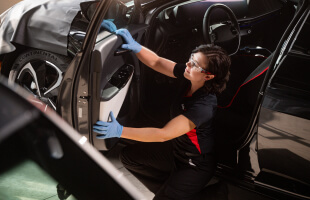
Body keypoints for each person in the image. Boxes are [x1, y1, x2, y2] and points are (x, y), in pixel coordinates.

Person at [93, 28, 231, 200]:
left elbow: (163, 135)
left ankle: (214, 196)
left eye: (195, 64)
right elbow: (157, 62)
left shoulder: (203, 106)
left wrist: (120, 131)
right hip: (176, 152)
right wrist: (137, 47)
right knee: (130, 157)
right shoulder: (190, 76)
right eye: (191, 59)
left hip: (195, 164)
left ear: (208, 77)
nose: (188, 65)